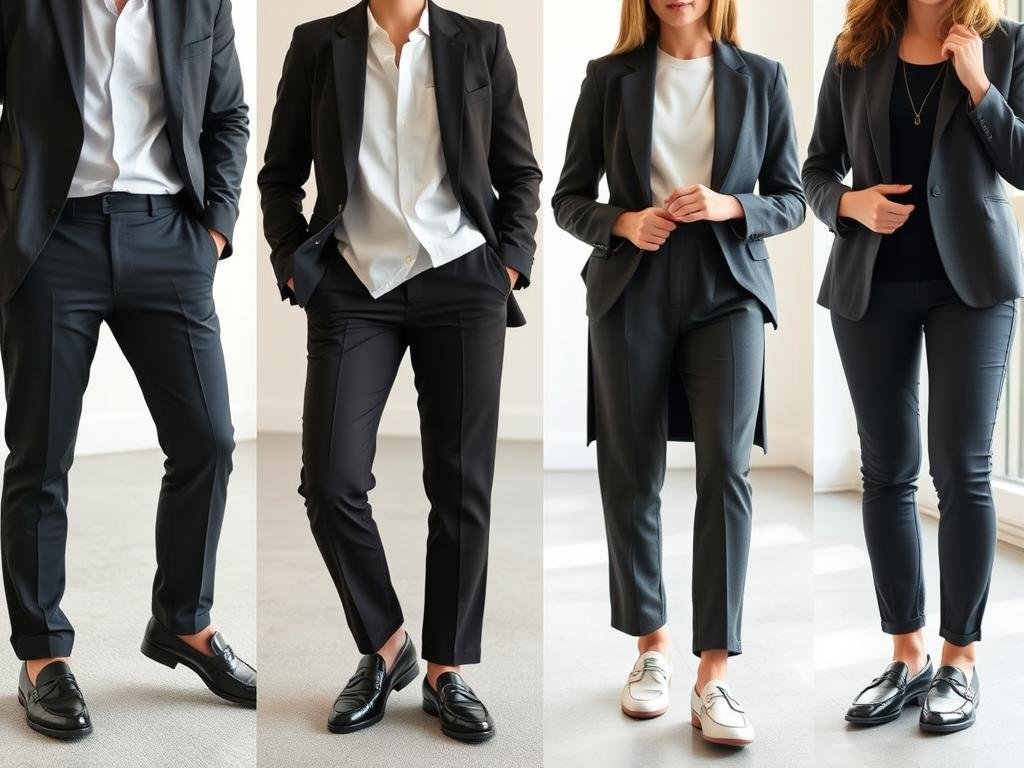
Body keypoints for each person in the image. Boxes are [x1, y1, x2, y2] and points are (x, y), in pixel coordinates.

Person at [258, 0, 540, 744]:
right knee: (330, 479)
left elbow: (519, 170)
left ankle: (447, 669)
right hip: (354, 285)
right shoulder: (319, 44)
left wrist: (508, 265)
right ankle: (386, 647)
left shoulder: (480, 43)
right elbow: (279, 173)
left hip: (463, 278)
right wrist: (292, 264)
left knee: (460, 481)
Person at [0, 0, 256, 740]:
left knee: (208, 439)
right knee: (41, 457)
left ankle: (184, 622)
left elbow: (227, 113)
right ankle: (43, 653)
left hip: (166, 236)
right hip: (52, 242)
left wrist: (213, 228)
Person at [552, 0, 804, 747]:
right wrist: (623, 222)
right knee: (633, 471)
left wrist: (730, 204)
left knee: (727, 471)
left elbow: (791, 197)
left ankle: (714, 676)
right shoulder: (609, 79)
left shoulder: (762, 78)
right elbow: (568, 198)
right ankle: (651, 650)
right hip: (632, 289)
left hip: (727, 290)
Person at [804, 0, 1021, 734]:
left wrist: (981, 88)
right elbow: (814, 170)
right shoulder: (858, 45)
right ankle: (907, 653)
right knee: (887, 470)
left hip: (975, 287)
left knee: (961, 467)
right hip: (873, 286)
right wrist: (850, 205)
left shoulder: (1007, 42)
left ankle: (960, 660)